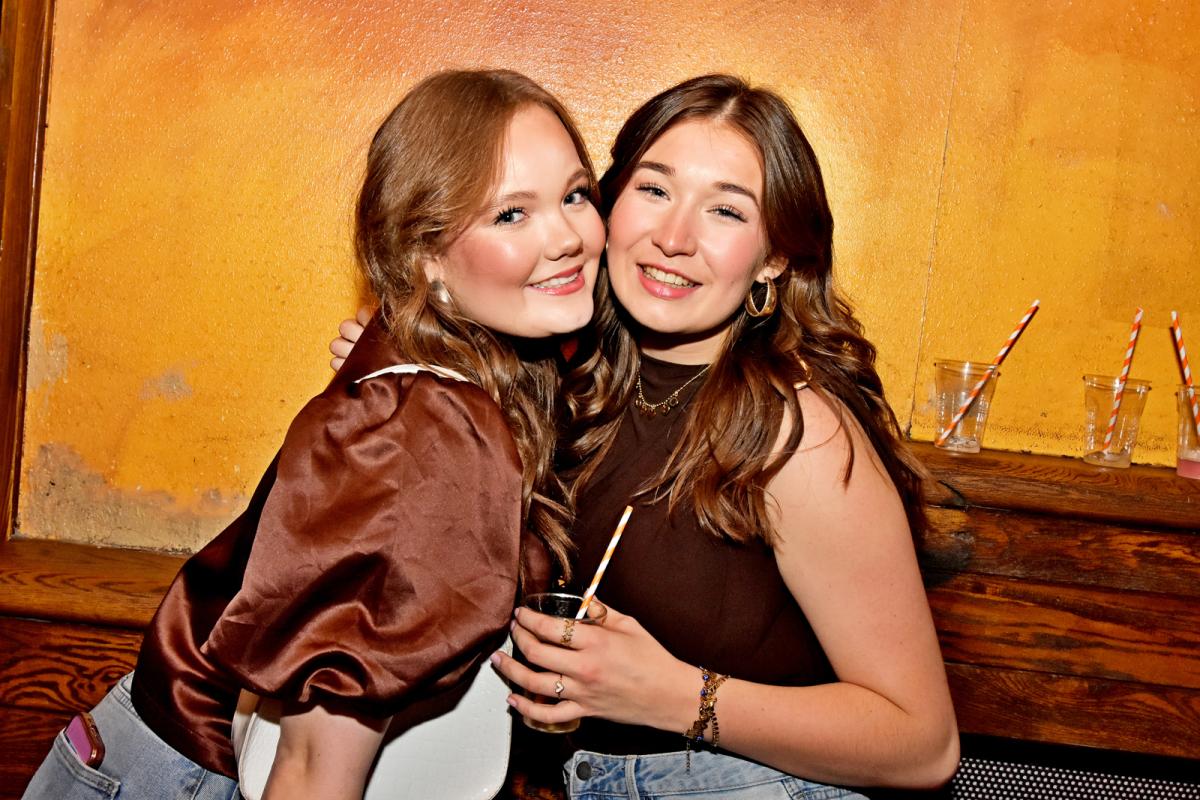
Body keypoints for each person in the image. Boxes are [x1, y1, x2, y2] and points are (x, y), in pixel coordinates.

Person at [329, 75, 959, 798]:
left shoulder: (797, 433)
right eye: (654, 190)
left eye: (726, 210)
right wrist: (416, 369)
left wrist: (674, 696)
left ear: (775, 258)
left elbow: (924, 744)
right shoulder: (563, 378)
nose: (674, 238)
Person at [22, 68, 605, 800]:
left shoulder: (464, 370)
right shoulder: (427, 430)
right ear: (424, 254)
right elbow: (307, 773)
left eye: (575, 195)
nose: (568, 237)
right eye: (511, 214)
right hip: (181, 778)